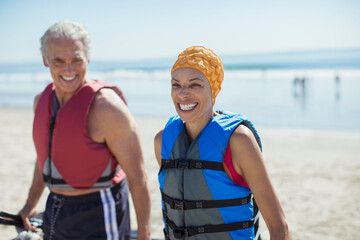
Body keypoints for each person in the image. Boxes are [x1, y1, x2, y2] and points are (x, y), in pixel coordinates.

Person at [18, 21, 151, 240]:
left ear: (87, 58)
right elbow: (46, 158)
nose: (68, 70)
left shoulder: (107, 108)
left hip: (99, 209)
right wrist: (30, 204)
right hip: (55, 207)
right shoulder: (41, 102)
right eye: (58, 61)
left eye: (76, 60)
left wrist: (144, 233)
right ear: (45, 60)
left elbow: (138, 176)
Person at [154, 46, 289, 239]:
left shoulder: (239, 141)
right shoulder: (163, 142)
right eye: (176, 85)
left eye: (195, 85)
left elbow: (279, 227)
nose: (183, 94)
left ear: (213, 90)